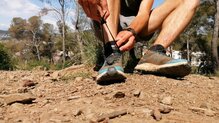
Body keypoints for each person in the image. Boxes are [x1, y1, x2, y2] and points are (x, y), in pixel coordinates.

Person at [78, 0, 200, 83]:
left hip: (137, 25)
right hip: (107, 23)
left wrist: (131, 31)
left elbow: (143, 14)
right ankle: (112, 53)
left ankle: (155, 53)